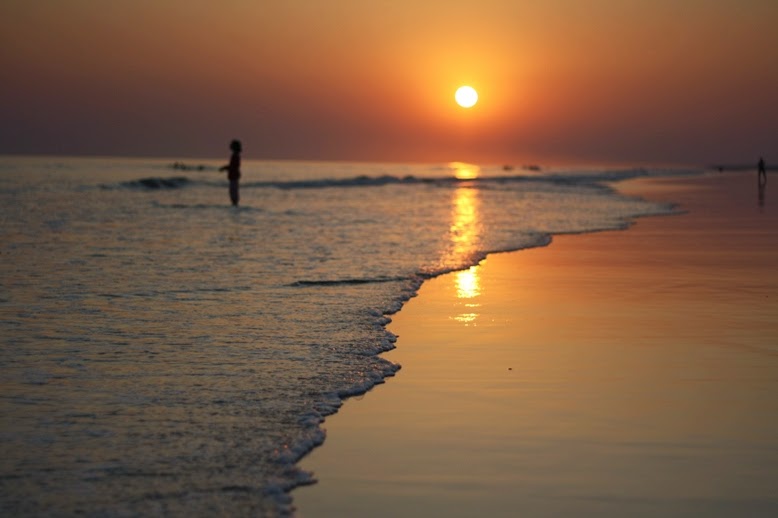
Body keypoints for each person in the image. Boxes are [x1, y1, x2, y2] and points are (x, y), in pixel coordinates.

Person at [220, 139, 242, 206]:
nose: (230, 146)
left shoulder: (235, 156)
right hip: (234, 176)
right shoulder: (236, 155)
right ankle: (235, 204)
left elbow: (233, 166)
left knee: (233, 192)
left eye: (232, 145)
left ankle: (235, 205)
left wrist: (224, 168)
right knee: (233, 192)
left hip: (234, 176)